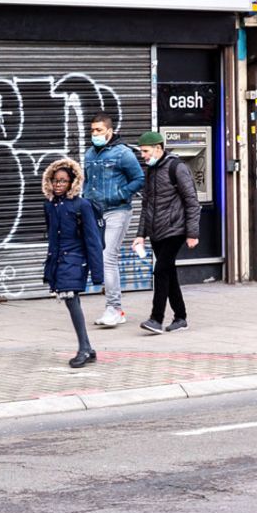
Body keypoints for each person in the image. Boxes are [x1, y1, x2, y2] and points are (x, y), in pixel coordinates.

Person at [131, 131, 201, 335]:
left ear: (158, 149)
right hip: (156, 232)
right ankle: (181, 317)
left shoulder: (176, 168)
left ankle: (156, 319)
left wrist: (192, 233)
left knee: (160, 271)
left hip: (175, 230)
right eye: (141, 151)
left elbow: (192, 202)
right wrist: (140, 235)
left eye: (145, 151)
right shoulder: (151, 170)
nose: (142, 155)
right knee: (169, 272)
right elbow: (146, 206)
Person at [82, 112, 144, 328]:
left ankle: (114, 308)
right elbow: (87, 182)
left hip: (118, 211)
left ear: (109, 130)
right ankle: (113, 308)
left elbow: (139, 179)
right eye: (92, 130)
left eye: (99, 130)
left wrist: (120, 194)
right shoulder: (89, 154)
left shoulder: (122, 153)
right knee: (98, 257)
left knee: (108, 256)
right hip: (94, 212)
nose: (95, 134)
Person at [42, 158, 105, 368]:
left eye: (63, 181)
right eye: (55, 180)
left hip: (75, 259)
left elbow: (93, 241)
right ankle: (87, 346)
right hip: (58, 260)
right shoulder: (50, 205)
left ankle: (84, 348)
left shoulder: (82, 205)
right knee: (71, 302)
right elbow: (52, 236)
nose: (58, 184)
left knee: (71, 299)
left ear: (72, 182)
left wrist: (98, 274)